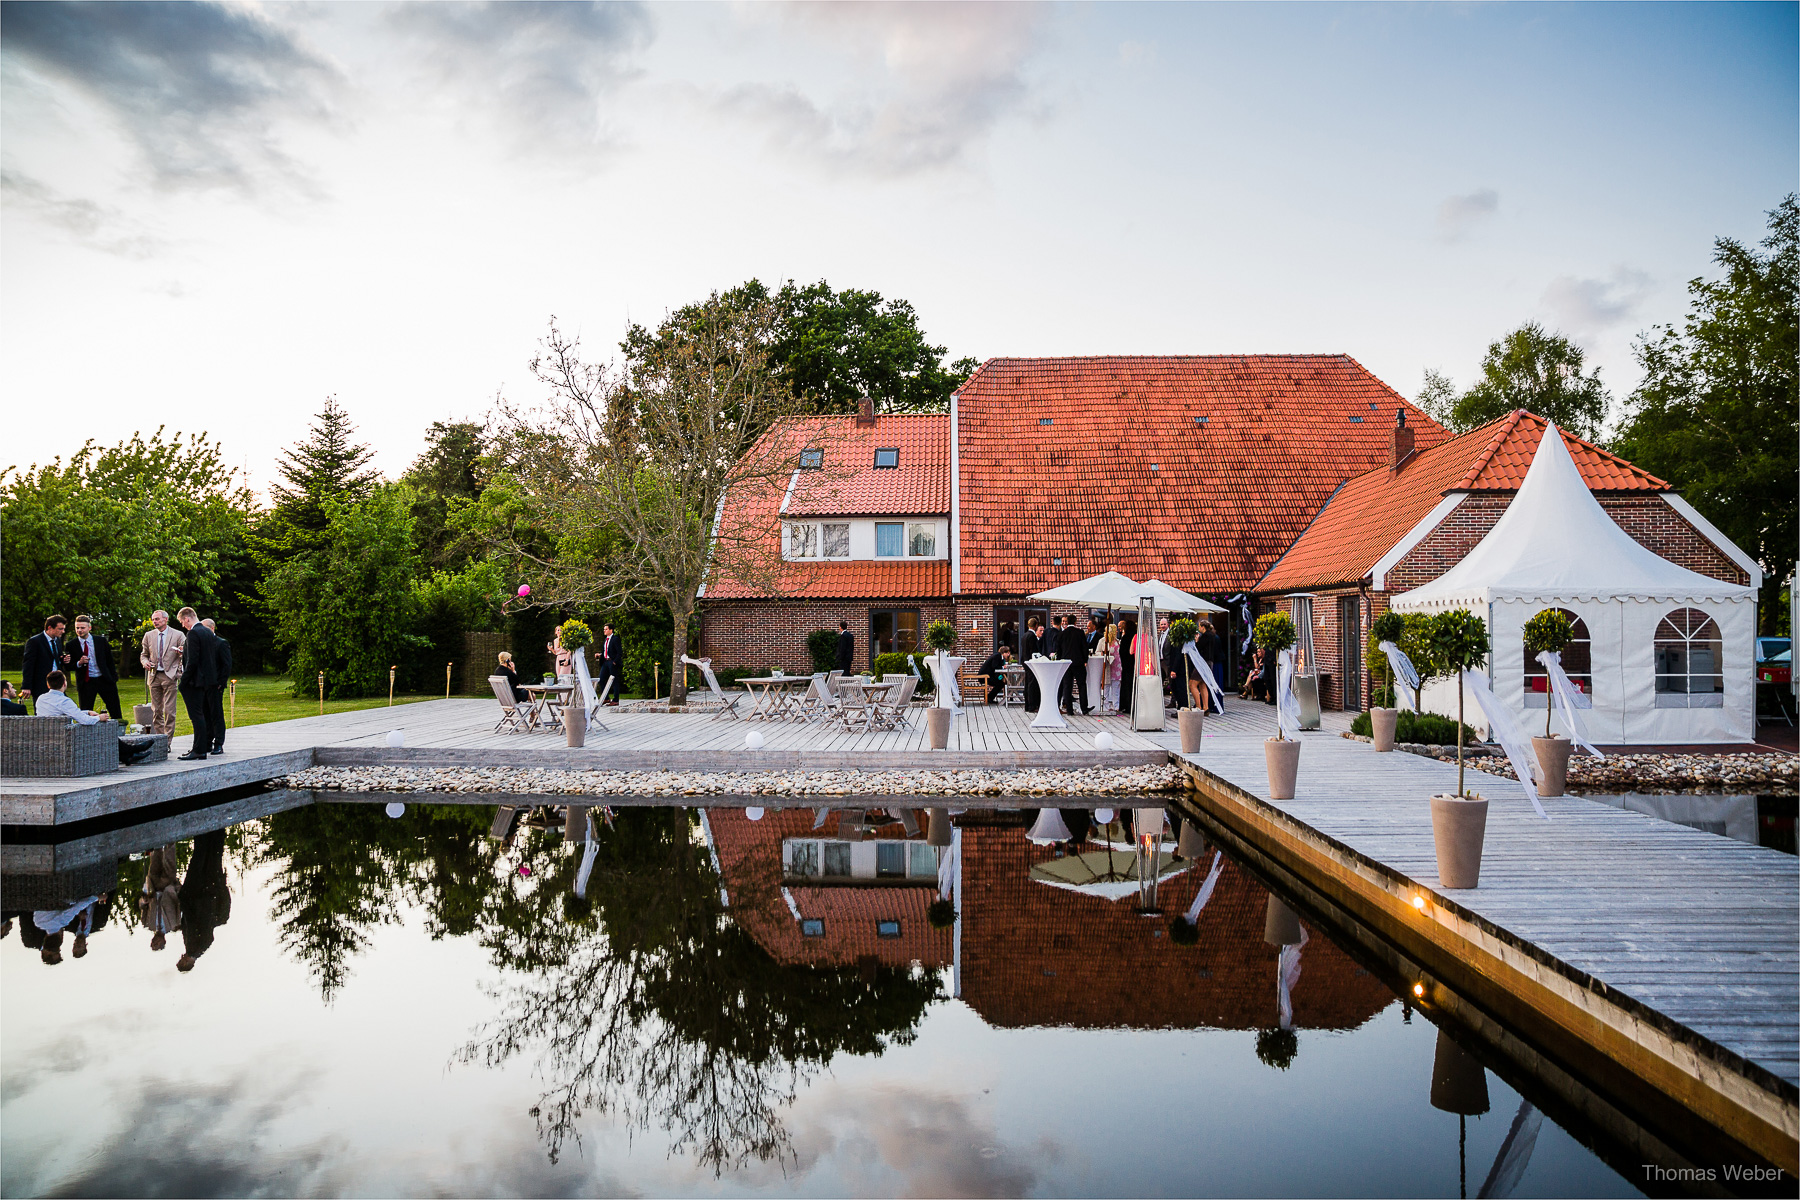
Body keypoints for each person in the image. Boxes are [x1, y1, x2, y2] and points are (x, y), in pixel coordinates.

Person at [176, 829, 230, 973]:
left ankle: (215, 832)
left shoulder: (201, 947)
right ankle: (204, 831)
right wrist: (182, 902)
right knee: (200, 858)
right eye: (181, 960)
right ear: (186, 962)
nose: (180, 957)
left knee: (213, 858)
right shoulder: (193, 947)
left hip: (207, 894)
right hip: (197, 894)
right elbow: (191, 921)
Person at [175, 608, 222, 760]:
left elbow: (193, 661)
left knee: (196, 716)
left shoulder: (193, 633)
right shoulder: (207, 632)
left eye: (182, 622)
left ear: (187, 619)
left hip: (195, 681)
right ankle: (200, 747)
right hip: (207, 680)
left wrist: (184, 680)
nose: (183, 625)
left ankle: (199, 749)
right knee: (201, 715)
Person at [67, 615, 123, 721]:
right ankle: (88, 735)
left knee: (115, 709)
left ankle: (119, 732)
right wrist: (79, 663)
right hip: (86, 682)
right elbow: (68, 666)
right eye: (77, 628)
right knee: (86, 711)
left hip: (104, 679)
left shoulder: (100, 641)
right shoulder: (71, 645)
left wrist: (113, 678)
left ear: (89, 628)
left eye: (82, 628)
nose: (79, 630)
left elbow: (109, 660)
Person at [139, 609, 185, 735]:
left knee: (169, 711)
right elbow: (144, 655)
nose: (154, 622)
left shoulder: (178, 635)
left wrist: (178, 672)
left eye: (157, 619)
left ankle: (168, 741)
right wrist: (145, 662)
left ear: (166, 619)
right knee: (156, 711)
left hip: (170, 676)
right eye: (153, 619)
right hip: (154, 676)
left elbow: (185, 655)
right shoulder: (148, 636)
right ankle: (160, 739)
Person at [21, 615, 70, 712]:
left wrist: (63, 660)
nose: (63, 632)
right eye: (60, 629)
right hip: (41, 683)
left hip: (57, 682)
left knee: (63, 709)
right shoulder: (34, 642)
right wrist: (26, 686)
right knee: (41, 710)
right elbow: (28, 664)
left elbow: (56, 657)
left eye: (63, 629)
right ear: (49, 628)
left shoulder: (58, 640)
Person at [201, 619, 231, 754]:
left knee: (216, 714)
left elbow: (226, 665)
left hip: (215, 685)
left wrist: (221, 683)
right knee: (205, 713)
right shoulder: (201, 644)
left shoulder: (221, 643)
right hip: (202, 684)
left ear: (211, 628)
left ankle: (219, 742)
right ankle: (207, 741)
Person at [34, 672, 100, 724]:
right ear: (64, 684)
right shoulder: (64, 701)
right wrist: (99, 718)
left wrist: (87, 712)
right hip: (65, 738)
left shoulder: (41, 699)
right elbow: (85, 720)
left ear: (48, 685)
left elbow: (60, 711)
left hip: (43, 736)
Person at [1059, 614, 1091, 715]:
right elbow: (1084, 648)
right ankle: (1084, 708)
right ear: (1076, 622)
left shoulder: (1062, 634)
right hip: (1078, 662)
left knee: (1067, 686)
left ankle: (1069, 710)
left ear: (1067, 622)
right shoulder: (1080, 632)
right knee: (1081, 685)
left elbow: (1058, 649)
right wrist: (1085, 660)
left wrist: (1061, 661)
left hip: (1066, 663)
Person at [1020, 618, 1045, 713]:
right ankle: (1032, 706)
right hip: (1032, 663)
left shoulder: (1024, 636)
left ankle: (1027, 705)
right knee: (1032, 684)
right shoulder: (1032, 636)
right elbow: (1034, 651)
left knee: (1027, 684)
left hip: (1025, 662)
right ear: (1035, 626)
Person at [598, 623, 625, 704]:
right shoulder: (605, 640)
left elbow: (619, 652)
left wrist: (614, 661)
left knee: (614, 680)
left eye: (606, 629)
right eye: (604, 629)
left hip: (612, 662)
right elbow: (606, 651)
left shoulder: (615, 639)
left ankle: (616, 700)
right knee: (601, 679)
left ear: (611, 630)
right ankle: (606, 698)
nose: (604, 631)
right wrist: (600, 655)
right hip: (605, 661)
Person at [1117, 617, 1138, 717]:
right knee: (1134, 685)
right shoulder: (1136, 637)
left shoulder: (1125, 638)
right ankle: (1134, 705)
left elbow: (1121, 652)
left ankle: (1126, 705)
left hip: (1126, 665)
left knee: (1126, 685)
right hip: (1135, 664)